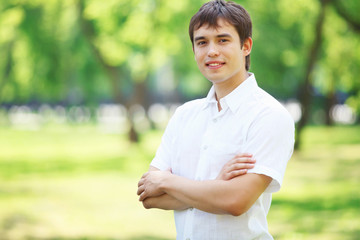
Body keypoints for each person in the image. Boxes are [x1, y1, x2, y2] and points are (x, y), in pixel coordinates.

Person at [137, 0, 295, 239]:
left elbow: (235, 200)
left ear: (246, 45)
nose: (211, 51)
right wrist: (216, 185)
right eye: (202, 42)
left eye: (223, 40)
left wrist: (168, 181)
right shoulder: (184, 116)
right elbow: (150, 196)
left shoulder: (269, 115)